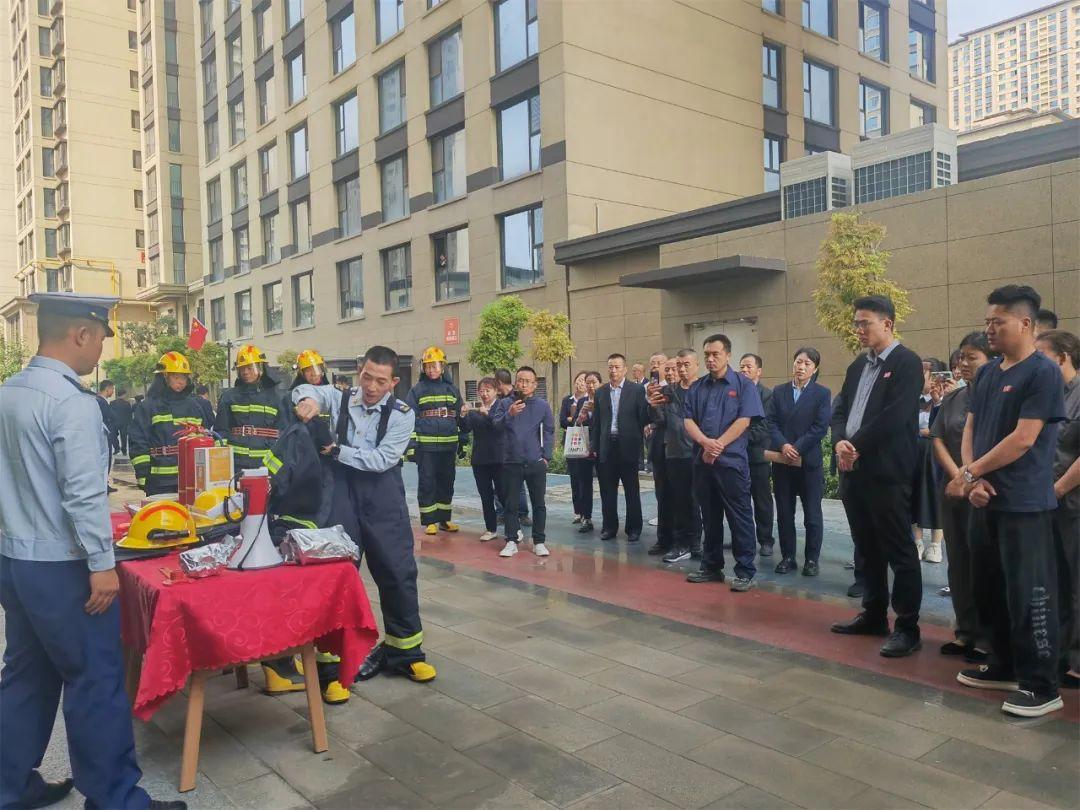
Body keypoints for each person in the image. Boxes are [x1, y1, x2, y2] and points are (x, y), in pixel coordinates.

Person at [0, 292, 185, 810]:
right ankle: (115, 799)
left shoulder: (9, 392)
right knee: (96, 680)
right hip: (63, 567)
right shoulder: (71, 403)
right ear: (80, 334)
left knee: (26, 674)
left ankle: (8, 786)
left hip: (15, 560)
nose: (101, 349)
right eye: (101, 338)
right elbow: (82, 494)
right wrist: (102, 565)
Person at [951, 285, 1065, 717]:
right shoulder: (988, 374)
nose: (990, 329)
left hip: (1024, 505)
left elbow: (1024, 439)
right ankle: (1002, 664)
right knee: (989, 587)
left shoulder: (1043, 373)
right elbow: (971, 427)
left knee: (1030, 595)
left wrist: (970, 474)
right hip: (984, 501)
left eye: (997, 322)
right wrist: (972, 477)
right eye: (987, 322)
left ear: (1025, 323)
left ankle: (1042, 685)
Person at [293, 345, 436, 684]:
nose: (371, 387)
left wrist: (337, 451)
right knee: (337, 572)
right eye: (367, 377)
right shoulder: (341, 397)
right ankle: (329, 665)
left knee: (397, 570)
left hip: (382, 494)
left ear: (394, 382)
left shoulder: (402, 413)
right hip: (341, 492)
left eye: (380, 381)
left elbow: (382, 459)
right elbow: (309, 390)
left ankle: (404, 652)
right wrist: (308, 400)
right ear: (360, 371)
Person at [829, 295, 924, 658]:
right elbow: (840, 409)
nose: (859, 329)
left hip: (887, 473)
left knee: (899, 550)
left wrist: (855, 445)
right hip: (854, 472)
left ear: (888, 323)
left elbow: (895, 416)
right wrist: (840, 441)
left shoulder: (906, 363)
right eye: (856, 323)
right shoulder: (858, 366)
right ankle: (873, 614)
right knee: (866, 548)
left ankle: (907, 627)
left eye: (865, 323)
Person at [683, 334, 762, 592]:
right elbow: (688, 421)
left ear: (728, 355)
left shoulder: (743, 385)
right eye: (706, 354)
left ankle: (745, 571)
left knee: (740, 517)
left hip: (732, 463)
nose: (710, 359)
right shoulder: (697, 387)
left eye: (715, 354)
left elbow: (744, 420)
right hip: (703, 462)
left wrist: (717, 445)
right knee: (710, 516)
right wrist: (705, 443)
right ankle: (711, 566)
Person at [931, 332, 993, 663]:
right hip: (954, 490)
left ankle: (988, 636)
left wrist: (971, 478)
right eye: (961, 357)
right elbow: (938, 437)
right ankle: (965, 630)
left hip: (985, 492)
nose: (964, 363)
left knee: (985, 563)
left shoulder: (999, 397)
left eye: (972, 357)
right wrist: (958, 475)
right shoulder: (954, 398)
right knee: (958, 561)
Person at [1036, 330, 1080, 689]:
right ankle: (1060, 651)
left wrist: (1058, 489)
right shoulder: (1047, 394)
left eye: (1043, 355)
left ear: (1064, 357)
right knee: (1056, 583)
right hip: (1045, 501)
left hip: (1071, 502)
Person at [766, 347, 831, 576]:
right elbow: (770, 422)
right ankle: (788, 557)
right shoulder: (779, 391)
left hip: (808, 462)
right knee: (785, 513)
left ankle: (811, 559)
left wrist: (797, 447)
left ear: (815, 368)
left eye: (807, 363)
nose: (801, 367)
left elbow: (820, 427)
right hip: (783, 461)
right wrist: (784, 445)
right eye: (798, 362)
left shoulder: (822, 394)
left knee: (812, 515)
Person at [491, 366, 554, 557]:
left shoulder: (542, 405)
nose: (523, 384)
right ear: (515, 383)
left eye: (528, 381)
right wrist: (509, 414)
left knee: (539, 504)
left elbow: (549, 431)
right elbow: (496, 426)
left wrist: (546, 457)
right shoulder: (504, 403)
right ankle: (511, 540)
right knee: (510, 504)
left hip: (535, 462)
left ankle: (539, 541)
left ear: (535, 384)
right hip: (511, 462)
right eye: (520, 380)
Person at [129, 351, 208, 495]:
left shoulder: (194, 406)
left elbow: (204, 439)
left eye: (184, 377)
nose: (181, 382)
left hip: (191, 478)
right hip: (159, 481)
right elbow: (138, 442)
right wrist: (143, 475)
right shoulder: (148, 406)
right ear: (163, 377)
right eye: (176, 377)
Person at [406, 345, 466, 536]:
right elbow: (409, 419)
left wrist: (463, 441)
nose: (431, 369)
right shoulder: (417, 390)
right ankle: (430, 521)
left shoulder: (452, 390)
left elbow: (461, 416)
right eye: (428, 366)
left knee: (447, 482)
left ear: (443, 367)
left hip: (448, 445)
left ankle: (444, 520)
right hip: (426, 446)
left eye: (435, 366)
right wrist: (412, 446)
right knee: (427, 483)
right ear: (423, 368)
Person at [652, 350, 704, 564]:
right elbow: (660, 421)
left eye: (686, 365)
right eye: (678, 365)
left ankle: (696, 543)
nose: (682, 369)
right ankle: (681, 544)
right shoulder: (668, 391)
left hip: (699, 452)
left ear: (697, 365)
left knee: (697, 501)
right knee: (679, 501)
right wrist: (653, 406)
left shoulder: (703, 389)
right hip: (674, 453)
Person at [591, 353, 649, 542]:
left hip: (628, 447)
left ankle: (634, 528)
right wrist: (594, 446)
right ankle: (609, 527)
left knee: (632, 490)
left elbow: (642, 418)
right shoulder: (601, 392)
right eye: (610, 367)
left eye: (617, 367)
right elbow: (596, 423)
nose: (613, 371)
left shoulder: (636, 390)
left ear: (625, 369)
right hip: (607, 447)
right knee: (607, 491)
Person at [215, 344, 284, 470]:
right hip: (236, 464)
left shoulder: (276, 398)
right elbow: (221, 431)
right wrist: (222, 465)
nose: (246, 372)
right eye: (242, 369)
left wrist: (274, 471)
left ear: (261, 368)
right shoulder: (229, 397)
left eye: (250, 367)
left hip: (266, 465)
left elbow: (284, 434)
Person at [739, 353, 776, 556]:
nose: (744, 370)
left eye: (748, 367)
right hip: (736, 457)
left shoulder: (766, 395)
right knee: (740, 501)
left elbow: (764, 428)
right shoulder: (735, 392)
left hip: (757, 457)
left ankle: (766, 540)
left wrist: (736, 436)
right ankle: (743, 539)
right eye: (742, 367)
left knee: (762, 501)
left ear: (759, 371)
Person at [461, 378, 505, 542]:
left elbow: (500, 428)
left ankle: (513, 528)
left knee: (503, 494)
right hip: (480, 459)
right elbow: (466, 428)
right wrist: (463, 415)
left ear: (496, 391)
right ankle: (491, 528)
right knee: (485, 496)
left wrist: (488, 414)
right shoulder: (475, 410)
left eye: (488, 390)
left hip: (499, 458)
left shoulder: (501, 407)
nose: (484, 394)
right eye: (482, 391)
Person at [913, 357, 947, 563]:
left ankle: (935, 545)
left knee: (935, 496)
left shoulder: (945, 399)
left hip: (936, 455)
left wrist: (928, 431)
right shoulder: (910, 399)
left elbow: (942, 428)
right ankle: (917, 542)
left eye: (925, 373)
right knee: (914, 495)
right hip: (913, 453)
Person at [646, 357, 680, 557]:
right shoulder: (660, 391)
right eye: (667, 369)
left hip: (681, 450)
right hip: (660, 449)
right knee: (663, 496)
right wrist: (651, 403)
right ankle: (663, 539)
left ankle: (683, 541)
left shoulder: (689, 391)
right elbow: (656, 419)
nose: (670, 372)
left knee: (682, 498)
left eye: (674, 369)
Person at [492, 368, 530, 526]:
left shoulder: (519, 398)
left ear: (499, 383)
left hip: (515, 448)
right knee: (500, 483)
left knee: (518, 483)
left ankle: (522, 513)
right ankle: (502, 513)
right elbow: (496, 422)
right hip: (500, 448)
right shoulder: (498, 400)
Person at [644, 353, 669, 546]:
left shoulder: (673, 389)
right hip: (657, 446)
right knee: (660, 489)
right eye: (653, 363)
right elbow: (647, 416)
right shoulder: (647, 390)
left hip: (678, 448)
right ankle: (663, 535)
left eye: (659, 363)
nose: (655, 366)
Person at [573, 371, 602, 533]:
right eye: (588, 382)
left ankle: (608, 521)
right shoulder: (581, 401)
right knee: (584, 484)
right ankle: (586, 518)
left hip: (601, 447)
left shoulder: (605, 399)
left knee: (606, 484)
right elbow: (576, 423)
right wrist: (581, 417)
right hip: (584, 447)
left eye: (594, 382)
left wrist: (596, 409)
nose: (591, 386)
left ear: (600, 384)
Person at [560, 372, 591, 525]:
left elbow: (584, 421)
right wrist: (571, 419)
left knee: (585, 479)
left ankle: (586, 513)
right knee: (574, 478)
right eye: (578, 380)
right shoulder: (567, 400)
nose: (581, 383)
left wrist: (571, 419)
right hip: (572, 442)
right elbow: (562, 421)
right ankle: (577, 511)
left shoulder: (590, 400)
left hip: (586, 441)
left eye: (584, 380)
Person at [96, 379, 119, 492]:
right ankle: (104, 485)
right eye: (112, 389)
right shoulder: (101, 402)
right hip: (105, 435)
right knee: (106, 461)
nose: (113, 391)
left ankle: (105, 484)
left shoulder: (98, 400)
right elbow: (110, 417)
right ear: (107, 389)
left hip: (104, 435)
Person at [110, 386, 134, 456]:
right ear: (123, 395)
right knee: (124, 438)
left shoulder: (112, 403)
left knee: (113, 436)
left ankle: (116, 448)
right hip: (124, 423)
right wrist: (130, 423)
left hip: (114, 423)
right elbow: (129, 414)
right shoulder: (127, 403)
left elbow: (110, 412)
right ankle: (124, 451)